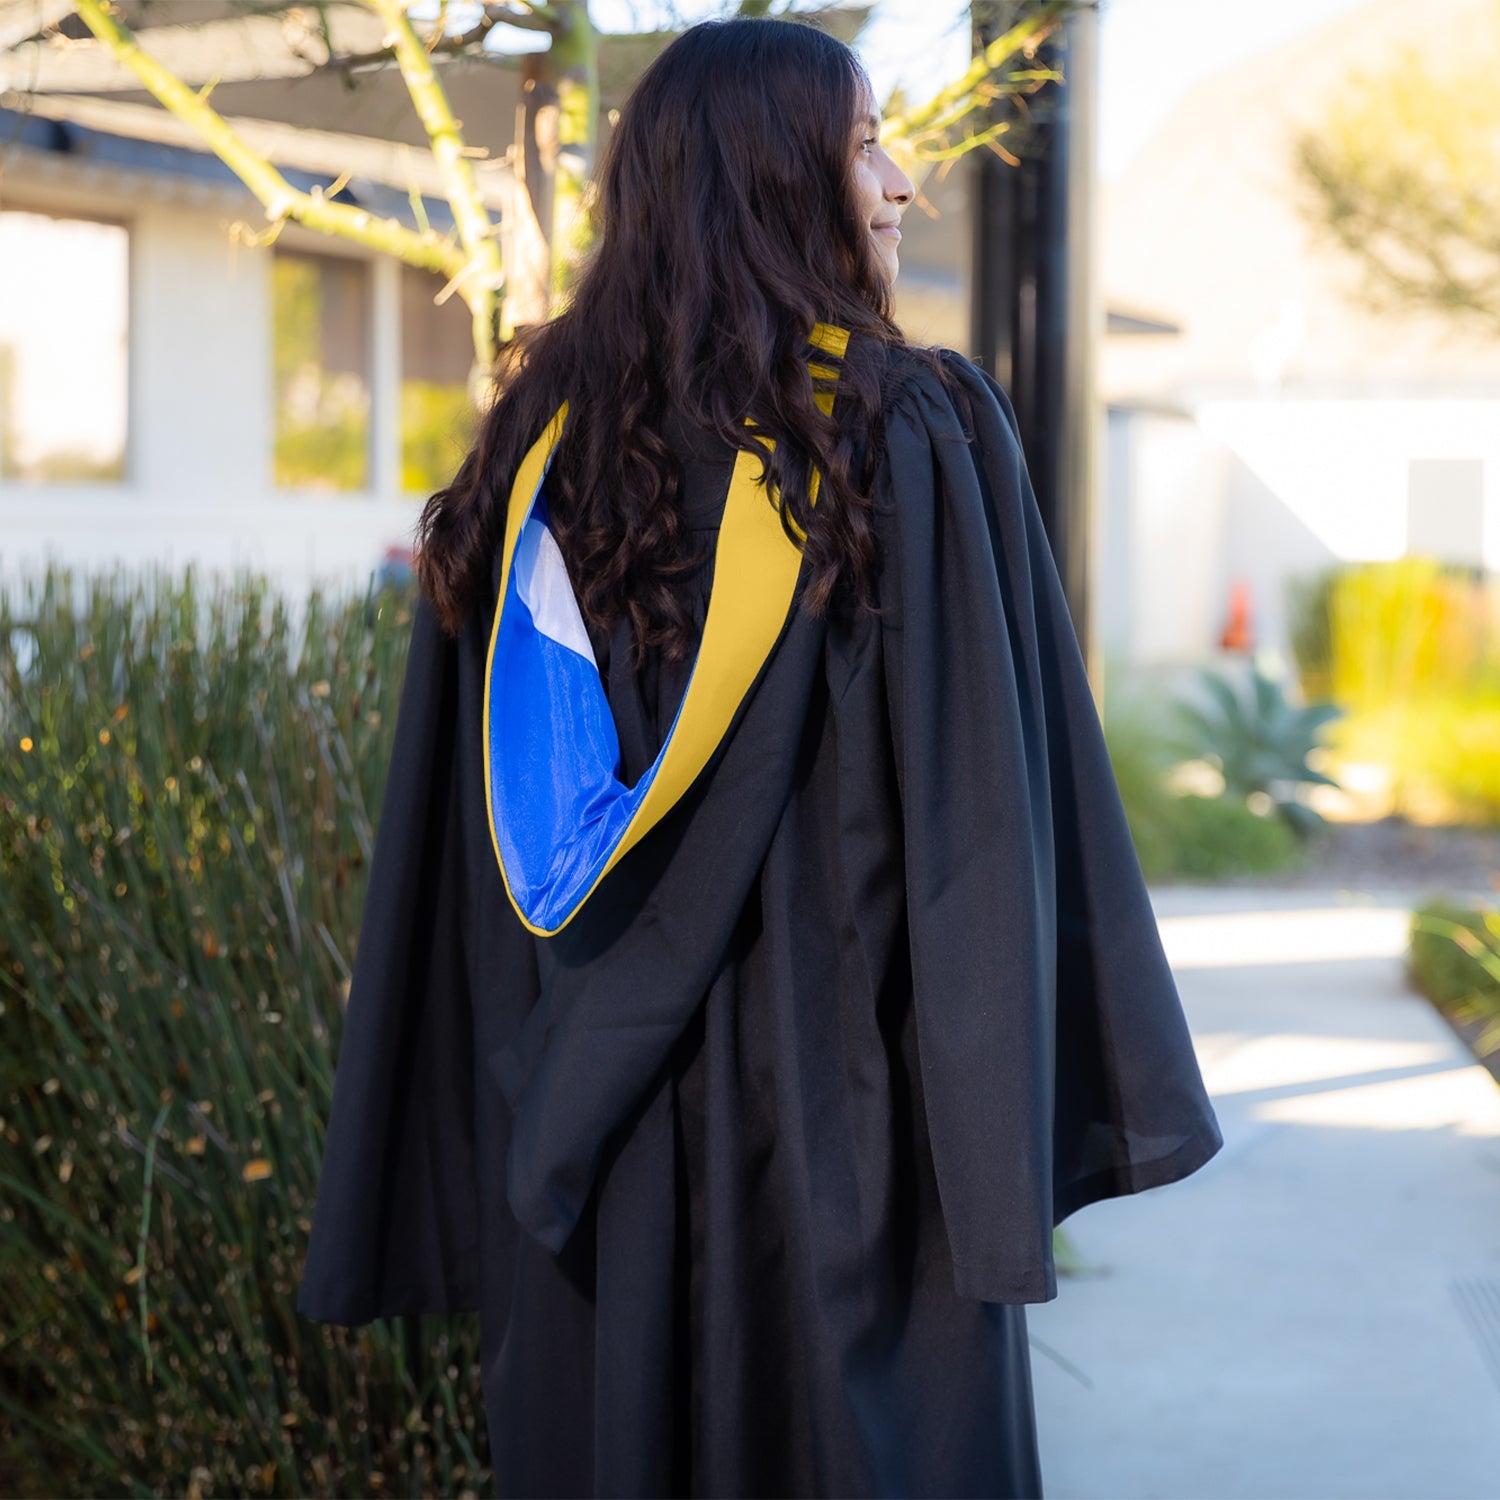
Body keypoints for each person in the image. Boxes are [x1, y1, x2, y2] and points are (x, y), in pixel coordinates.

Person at [296, 16, 1224, 1500]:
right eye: (864, 143)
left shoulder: (534, 457)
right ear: (772, 179)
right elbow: (984, 831)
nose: (902, 182)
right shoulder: (903, 430)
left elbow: (471, 873)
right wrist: (993, 1176)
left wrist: (509, 1130)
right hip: (843, 1152)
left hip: (587, 1148)